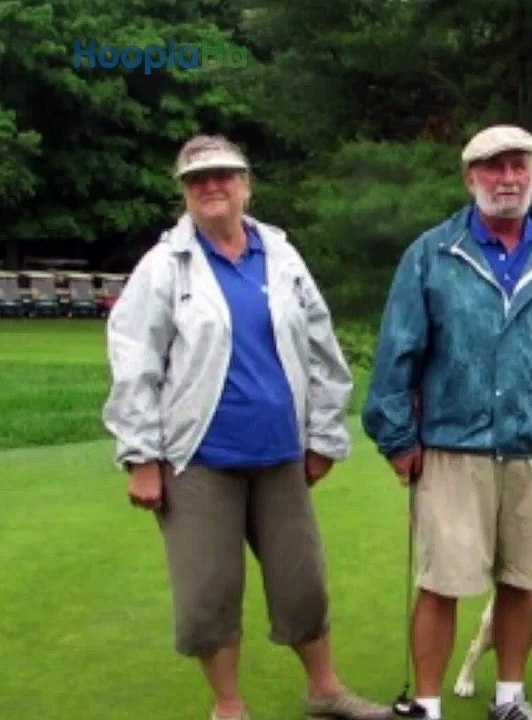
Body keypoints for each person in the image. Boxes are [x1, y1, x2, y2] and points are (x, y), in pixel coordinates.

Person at [102, 135, 391, 720]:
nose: (212, 187)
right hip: (198, 457)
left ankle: (324, 689)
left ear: (246, 184)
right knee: (209, 593)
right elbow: (134, 360)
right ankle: (229, 705)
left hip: (281, 453)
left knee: (302, 581)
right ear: (184, 191)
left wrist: (325, 435)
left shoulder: (281, 256)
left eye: (224, 176)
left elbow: (322, 350)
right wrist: (141, 456)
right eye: (197, 179)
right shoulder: (164, 266)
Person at [361, 124, 532, 720]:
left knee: (524, 578)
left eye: (518, 166)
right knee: (441, 581)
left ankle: (509, 697)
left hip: (531, 447)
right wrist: (397, 438)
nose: (508, 179)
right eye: (493, 167)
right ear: (469, 176)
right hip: (452, 447)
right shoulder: (431, 254)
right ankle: (426, 704)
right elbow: (396, 352)